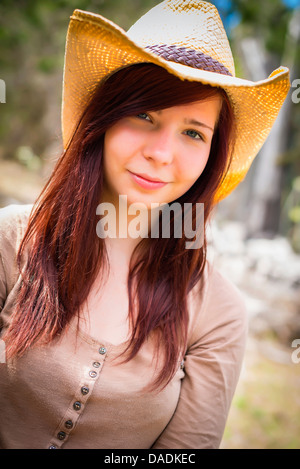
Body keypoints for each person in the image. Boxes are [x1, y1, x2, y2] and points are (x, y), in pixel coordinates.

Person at [0, 0, 290, 450]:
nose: (161, 152)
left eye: (193, 132)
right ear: (104, 119)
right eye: (144, 115)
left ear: (212, 154)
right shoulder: (13, 240)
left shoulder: (219, 315)